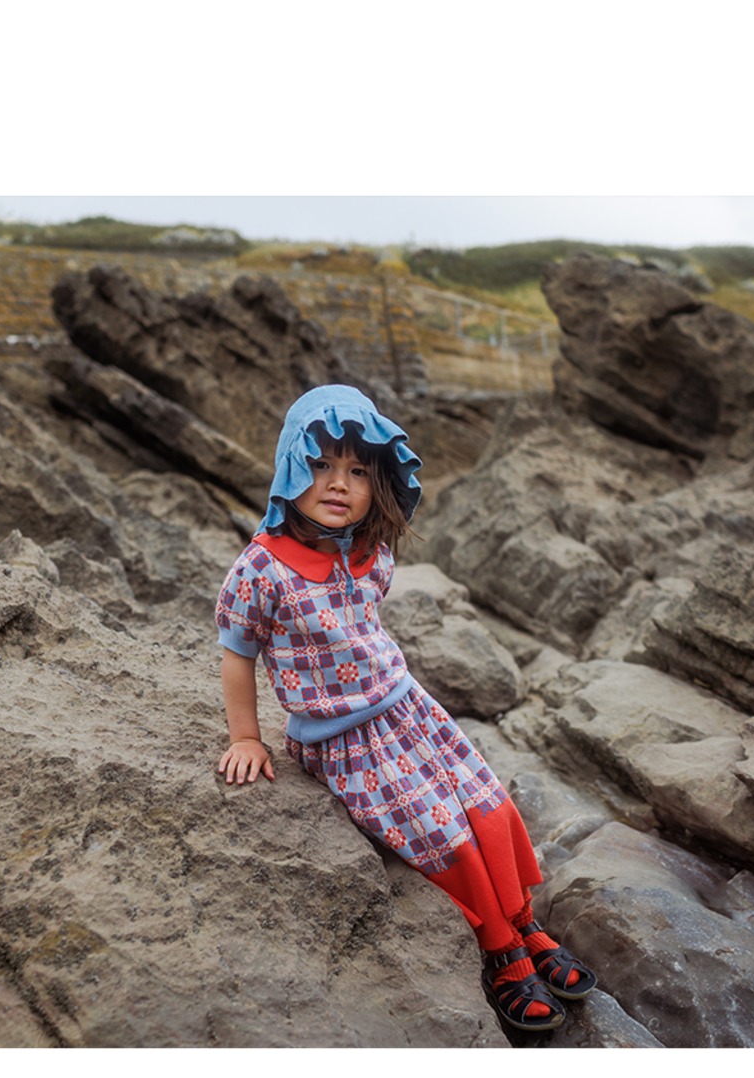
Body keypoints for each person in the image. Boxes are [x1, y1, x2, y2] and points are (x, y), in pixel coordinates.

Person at [214, 384, 595, 1035]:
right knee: (439, 830)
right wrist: (246, 737)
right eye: (321, 464)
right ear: (290, 467)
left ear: (379, 482)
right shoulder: (261, 569)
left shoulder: (372, 555)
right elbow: (236, 653)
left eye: (358, 471)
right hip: (342, 740)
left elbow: (363, 628)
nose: (339, 483)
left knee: (485, 801)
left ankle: (523, 920)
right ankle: (500, 949)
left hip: (410, 710)